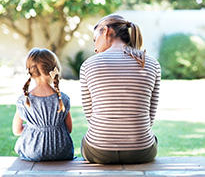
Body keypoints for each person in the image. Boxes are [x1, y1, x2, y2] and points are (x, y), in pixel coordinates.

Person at [80, 14, 161, 164]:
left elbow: (90, 116)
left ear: (105, 31)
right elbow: (150, 117)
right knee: (152, 138)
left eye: (94, 39)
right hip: (141, 151)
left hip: (99, 151)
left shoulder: (88, 65)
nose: (95, 48)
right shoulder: (151, 63)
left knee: (86, 141)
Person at [12, 48, 74, 161]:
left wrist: (34, 128)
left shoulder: (24, 100)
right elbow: (69, 129)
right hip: (62, 151)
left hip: (33, 152)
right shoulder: (63, 98)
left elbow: (16, 131)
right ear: (54, 69)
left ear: (29, 71)